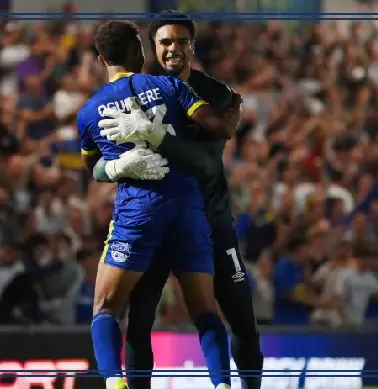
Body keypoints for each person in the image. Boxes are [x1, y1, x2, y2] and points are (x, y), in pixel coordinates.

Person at [94, 11, 262, 389]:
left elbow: (205, 162)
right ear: (152, 48)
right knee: (139, 322)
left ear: (192, 46)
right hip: (154, 221)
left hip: (211, 219)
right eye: (165, 42)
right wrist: (113, 167)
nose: (173, 49)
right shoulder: (134, 90)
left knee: (241, 319)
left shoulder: (214, 93)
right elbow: (100, 159)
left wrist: (155, 137)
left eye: (181, 41)